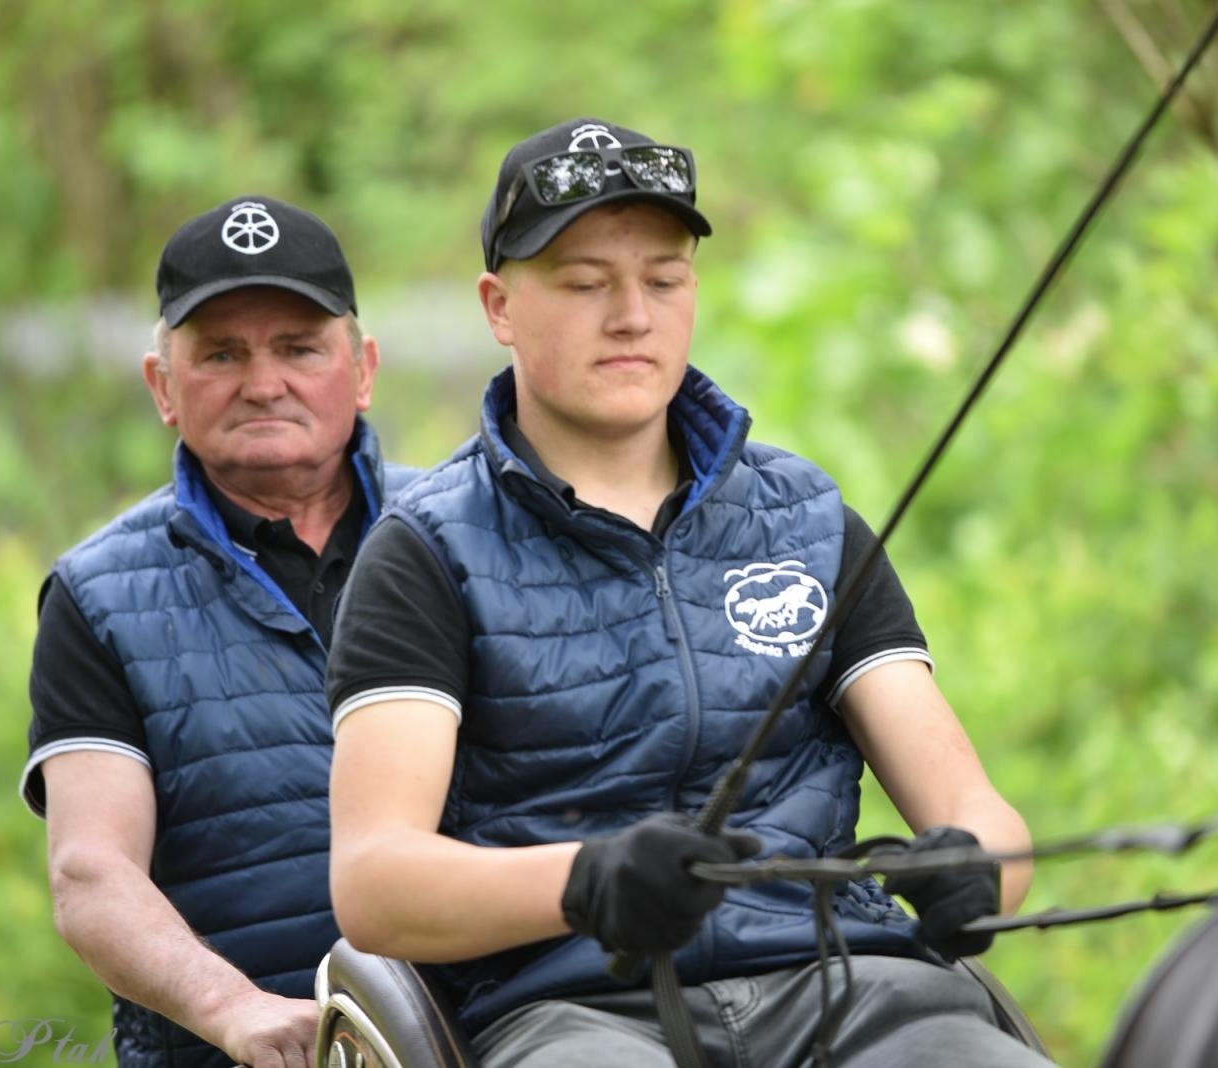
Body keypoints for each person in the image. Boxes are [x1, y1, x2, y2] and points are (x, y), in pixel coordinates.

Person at [326, 119, 1053, 1067]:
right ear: (498, 306)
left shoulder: (811, 520)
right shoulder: (421, 553)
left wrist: (975, 870)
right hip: (573, 1017)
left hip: (856, 988)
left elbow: (983, 816)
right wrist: (584, 880)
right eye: (586, 283)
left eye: (663, 280)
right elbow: (375, 883)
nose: (632, 315)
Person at [21, 195, 415, 1068]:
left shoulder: (468, 535)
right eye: (222, 354)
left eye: (299, 348)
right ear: (163, 386)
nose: (263, 383)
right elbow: (90, 874)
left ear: (362, 369)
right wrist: (232, 1011)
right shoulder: (96, 598)